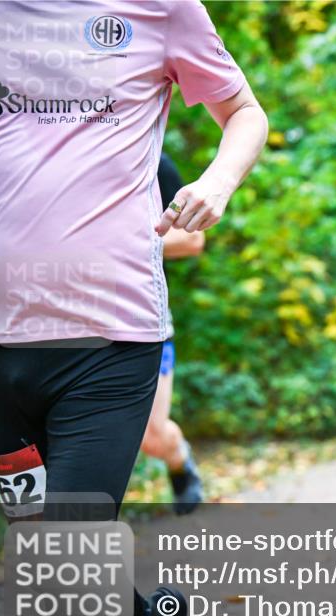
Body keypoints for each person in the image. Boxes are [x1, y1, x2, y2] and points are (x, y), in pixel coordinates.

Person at [0, 2, 268, 616]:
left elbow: (246, 112)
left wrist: (217, 182)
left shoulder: (159, 8)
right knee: (54, 549)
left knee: (66, 588)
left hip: (111, 335)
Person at [140, 153, 205, 515]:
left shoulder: (154, 161)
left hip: (147, 320)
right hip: (64, 322)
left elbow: (193, 241)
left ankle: (179, 460)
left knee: (151, 435)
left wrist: (120, 246)